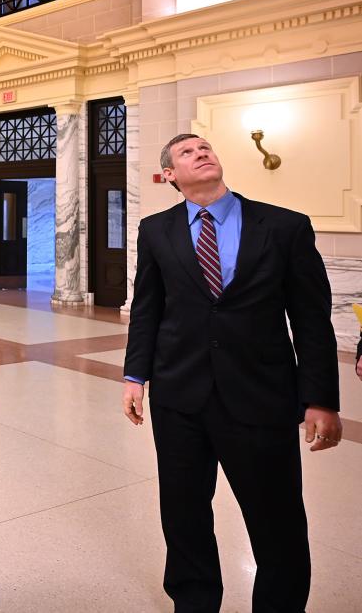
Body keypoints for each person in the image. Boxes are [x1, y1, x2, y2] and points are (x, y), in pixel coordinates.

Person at [123, 134, 341, 613]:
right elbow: (148, 307)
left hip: (260, 396)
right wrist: (134, 376)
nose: (200, 153)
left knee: (277, 521)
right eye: (186, 152)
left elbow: (310, 319)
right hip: (180, 397)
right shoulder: (156, 230)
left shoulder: (283, 226)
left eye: (205, 147)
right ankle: (194, 602)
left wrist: (320, 399)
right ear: (171, 176)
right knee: (183, 515)